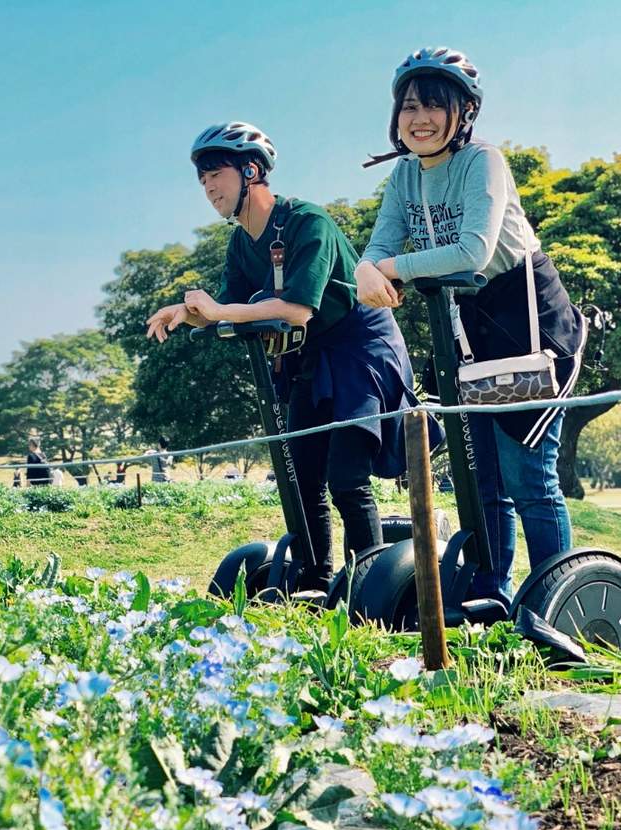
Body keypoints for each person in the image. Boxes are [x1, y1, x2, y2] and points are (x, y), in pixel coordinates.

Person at [147, 121, 434, 592]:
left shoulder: (306, 222)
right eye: (202, 179)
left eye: (216, 173)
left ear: (252, 170)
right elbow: (232, 307)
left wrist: (220, 310)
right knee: (300, 480)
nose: (208, 187)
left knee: (346, 479)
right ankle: (315, 582)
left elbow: (298, 309)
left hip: (361, 349)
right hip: (310, 358)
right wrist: (190, 313)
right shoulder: (241, 242)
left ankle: (368, 586)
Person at [356, 47, 585, 605]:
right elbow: (378, 248)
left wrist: (385, 269)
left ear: (465, 112)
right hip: (466, 327)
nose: (421, 118)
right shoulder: (404, 177)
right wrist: (367, 264)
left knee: (529, 477)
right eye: (410, 106)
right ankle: (492, 592)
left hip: (529, 323)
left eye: (436, 105)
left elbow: (473, 252)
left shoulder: (484, 160)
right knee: (480, 479)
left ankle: (561, 602)